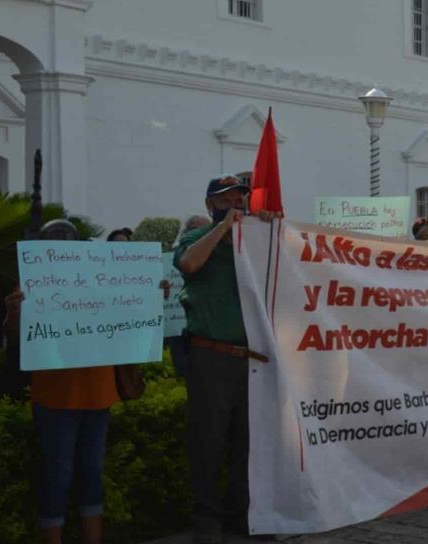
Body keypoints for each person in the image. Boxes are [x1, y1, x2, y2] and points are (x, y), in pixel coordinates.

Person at [175, 175, 279, 543]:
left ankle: (242, 514)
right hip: (211, 357)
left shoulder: (254, 240)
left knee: (247, 441)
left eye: (239, 198)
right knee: (208, 440)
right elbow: (188, 265)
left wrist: (268, 227)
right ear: (210, 205)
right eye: (226, 200)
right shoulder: (195, 238)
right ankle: (206, 519)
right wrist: (223, 229)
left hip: (250, 358)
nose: (235, 204)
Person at [3, 219, 120, 544]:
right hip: (55, 397)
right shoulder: (30, 285)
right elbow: (15, 338)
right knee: (58, 476)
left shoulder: (101, 281)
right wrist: (14, 313)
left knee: (91, 474)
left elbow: (130, 319)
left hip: (98, 394)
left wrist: (149, 298)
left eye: (66, 242)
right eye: (54, 243)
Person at [163, 215, 212, 378]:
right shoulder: (172, 258)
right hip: (178, 328)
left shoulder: (218, 258)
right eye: (192, 229)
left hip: (206, 335)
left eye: (203, 229)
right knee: (185, 374)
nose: (198, 233)